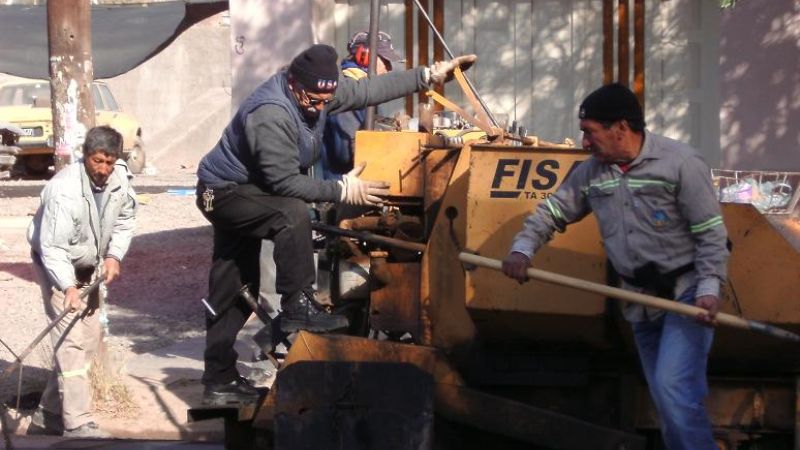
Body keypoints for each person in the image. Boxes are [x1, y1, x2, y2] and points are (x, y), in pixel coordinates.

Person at [195, 43, 475, 406]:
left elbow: (365, 90)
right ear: (294, 84)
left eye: (326, 99)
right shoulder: (270, 113)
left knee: (233, 286)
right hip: (224, 192)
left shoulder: (321, 91)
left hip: (254, 188)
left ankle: (218, 379)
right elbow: (284, 185)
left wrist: (426, 76)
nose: (320, 107)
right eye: (313, 100)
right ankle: (298, 305)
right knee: (291, 212)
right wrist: (342, 190)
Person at [502, 83, 728, 450]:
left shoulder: (681, 165)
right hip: (638, 301)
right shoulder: (591, 173)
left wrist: (708, 292)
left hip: (684, 297)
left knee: (674, 391)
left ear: (620, 128)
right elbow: (552, 213)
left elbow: (710, 234)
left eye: (590, 132)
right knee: (668, 403)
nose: (584, 143)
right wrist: (522, 251)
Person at [27, 125, 137, 438]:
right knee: (71, 344)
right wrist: (67, 287)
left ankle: (48, 414)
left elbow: (126, 219)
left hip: (89, 267)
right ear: (85, 156)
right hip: (55, 268)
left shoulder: (119, 180)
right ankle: (77, 423)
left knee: (86, 343)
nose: (103, 169)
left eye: (109, 162)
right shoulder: (64, 191)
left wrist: (115, 255)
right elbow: (53, 248)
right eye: (97, 161)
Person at [321, 30, 403, 179]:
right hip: (342, 190)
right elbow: (345, 155)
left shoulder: (368, 93)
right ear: (364, 56)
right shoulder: (348, 94)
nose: (389, 68)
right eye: (385, 61)